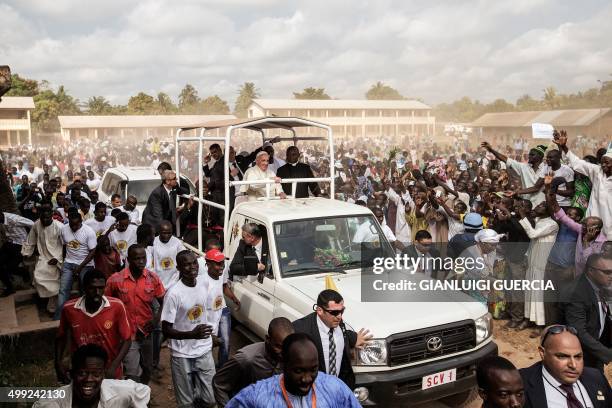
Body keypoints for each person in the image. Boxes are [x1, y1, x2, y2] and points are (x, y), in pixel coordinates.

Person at [226, 333, 361, 407]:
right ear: (284, 364)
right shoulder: (256, 397)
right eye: (298, 371)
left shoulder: (335, 388)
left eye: (313, 370)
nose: (307, 378)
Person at [55, 269, 132, 382]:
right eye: (92, 288)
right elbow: (60, 337)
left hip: (109, 371)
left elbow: (127, 339)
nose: (97, 292)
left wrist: (113, 367)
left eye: (101, 288)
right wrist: (58, 364)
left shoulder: (116, 306)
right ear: (84, 288)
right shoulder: (69, 309)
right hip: (81, 371)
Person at [161, 250, 216, 407]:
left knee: (210, 399)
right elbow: (166, 330)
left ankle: (198, 394)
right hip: (181, 354)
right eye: (186, 264)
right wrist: (191, 334)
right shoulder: (173, 294)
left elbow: (207, 312)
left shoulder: (204, 283)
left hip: (204, 350)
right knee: (186, 403)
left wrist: (212, 334)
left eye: (194, 263)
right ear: (178, 268)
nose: (192, 267)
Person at [105, 244, 165, 385]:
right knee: (132, 373)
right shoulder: (115, 280)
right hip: (127, 335)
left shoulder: (153, 278)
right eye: (136, 258)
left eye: (143, 258)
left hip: (146, 332)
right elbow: (106, 304)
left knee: (148, 368)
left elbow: (164, 301)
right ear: (128, 260)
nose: (141, 261)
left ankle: (142, 396)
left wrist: (156, 320)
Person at [292, 289, 372, 389]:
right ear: (320, 310)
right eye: (334, 312)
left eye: (342, 311)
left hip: (339, 388)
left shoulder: (338, 323)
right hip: (314, 391)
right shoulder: (300, 330)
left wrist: (354, 338)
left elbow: (344, 334)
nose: (339, 316)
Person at [520, 325, 612, 408]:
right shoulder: (520, 384)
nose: (573, 365)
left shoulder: (596, 377)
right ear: (542, 353)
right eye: (562, 356)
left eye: (578, 357)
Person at [35, 344, 150, 408]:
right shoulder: (51, 403)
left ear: (103, 375)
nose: (89, 380)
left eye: (96, 374)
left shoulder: (122, 391)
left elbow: (143, 391)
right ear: (71, 374)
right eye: (82, 373)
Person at [213, 317, 295, 406]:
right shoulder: (246, 358)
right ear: (267, 339)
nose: (284, 352)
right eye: (278, 347)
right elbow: (219, 384)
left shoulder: (290, 357)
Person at [553, 130, 612, 237]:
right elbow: (577, 162)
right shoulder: (597, 171)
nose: (603, 165)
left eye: (607, 162)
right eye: (602, 162)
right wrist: (564, 147)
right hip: (591, 225)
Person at [562, 253, 612, 371]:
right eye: (607, 272)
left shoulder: (599, 284)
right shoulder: (577, 293)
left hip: (595, 351)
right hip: (581, 357)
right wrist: (607, 353)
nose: (611, 276)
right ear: (590, 271)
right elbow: (579, 332)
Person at [517, 201, 558, 332]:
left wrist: (523, 215)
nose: (537, 207)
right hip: (532, 259)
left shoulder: (552, 224)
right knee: (529, 290)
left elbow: (533, 234)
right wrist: (526, 255)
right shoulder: (538, 220)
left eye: (541, 206)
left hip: (542, 261)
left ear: (548, 209)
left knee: (538, 293)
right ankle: (528, 318)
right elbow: (533, 241)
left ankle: (540, 323)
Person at [55, 212, 97, 320]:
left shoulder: (89, 232)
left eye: (76, 225)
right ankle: (58, 318)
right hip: (69, 263)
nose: (73, 227)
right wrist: (64, 261)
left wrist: (80, 267)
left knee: (85, 290)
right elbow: (64, 246)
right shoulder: (64, 229)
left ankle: (85, 316)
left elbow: (93, 252)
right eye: (71, 225)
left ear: (81, 221)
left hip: (86, 265)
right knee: (63, 290)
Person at [21, 208, 63, 314]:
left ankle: (52, 308)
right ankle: (47, 302)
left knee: (55, 283)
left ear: (52, 216)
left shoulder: (59, 227)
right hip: (43, 257)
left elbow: (66, 246)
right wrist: (26, 253)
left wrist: (58, 259)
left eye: (47, 217)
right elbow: (31, 240)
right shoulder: (37, 224)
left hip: (57, 258)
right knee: (37, 277)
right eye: (42, 217)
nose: (44, 220)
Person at [481, 141, 547, 206]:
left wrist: (515, 192)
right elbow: (506, 159)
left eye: (532, 155)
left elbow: (536, 188)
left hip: (541, 204)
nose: (529, 156)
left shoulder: (546, 169)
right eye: (529, 154)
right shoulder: (523, 167)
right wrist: (491, 150)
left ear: (540, 157)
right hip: (527, 204)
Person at [0, 210, 34, 296]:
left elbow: (33, 224)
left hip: (20, 245)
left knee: (10, 267)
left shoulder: (14, 219)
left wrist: (31, 241)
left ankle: (23, 272)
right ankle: (9, 288)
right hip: (9, 243)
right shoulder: (2, 220)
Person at [150, 220, 185, 289]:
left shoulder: (177, 242)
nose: (167, 235)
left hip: (173, 281)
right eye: (164, 233)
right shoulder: (153, 242)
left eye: (169, 233)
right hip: (157, 281)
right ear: (159, 232)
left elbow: (184, 254)